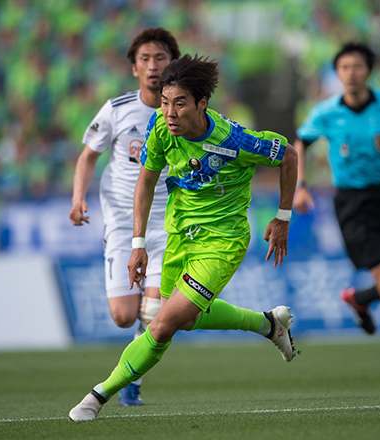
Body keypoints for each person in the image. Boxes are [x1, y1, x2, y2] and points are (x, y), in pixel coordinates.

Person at [69, 54, 299, 421]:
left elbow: (288, 155)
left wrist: (283, 217)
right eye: (164, 103)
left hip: (222, 242)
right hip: (178, 236)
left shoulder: (235, 139)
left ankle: (96, 397)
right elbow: (145, 182)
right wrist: (138, 244)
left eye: (179, 104)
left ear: (201, 104)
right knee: (186, 319)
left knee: (160, 326)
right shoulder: (160, 129)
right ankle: (269, 323)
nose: (170, 112)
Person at [294, 43, 380, 371]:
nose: (350, 73)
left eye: (357, 67)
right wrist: (300, 186)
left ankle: (359, 299)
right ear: (337, 73)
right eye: (343, 67)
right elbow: (301, 141)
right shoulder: (326, 111)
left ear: (368, 71)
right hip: (353, 202)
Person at [69, 28, 180, 406]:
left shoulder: (185, 112)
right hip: (121, 221)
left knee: (155, 311)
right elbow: (87, 156)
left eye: (160, 58)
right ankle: (136, 349)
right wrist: (78, 198)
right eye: (145, 60)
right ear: (134, 68)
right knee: (122, 315)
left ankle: (132, 377)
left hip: (168, 223)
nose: (153, 66)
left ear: (172, 64)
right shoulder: (117, 109)